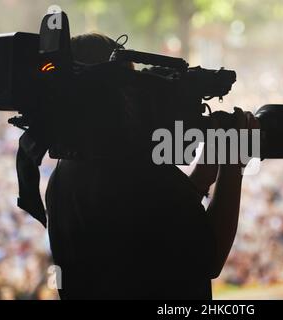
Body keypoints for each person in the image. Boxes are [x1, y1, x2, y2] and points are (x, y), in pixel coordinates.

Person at [45, 33, 258, 299]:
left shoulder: (65, 171)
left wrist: (201, 177)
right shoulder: (134, 169)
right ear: (119, 88)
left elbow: (149, 228)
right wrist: (232, 160)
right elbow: (210, 259)